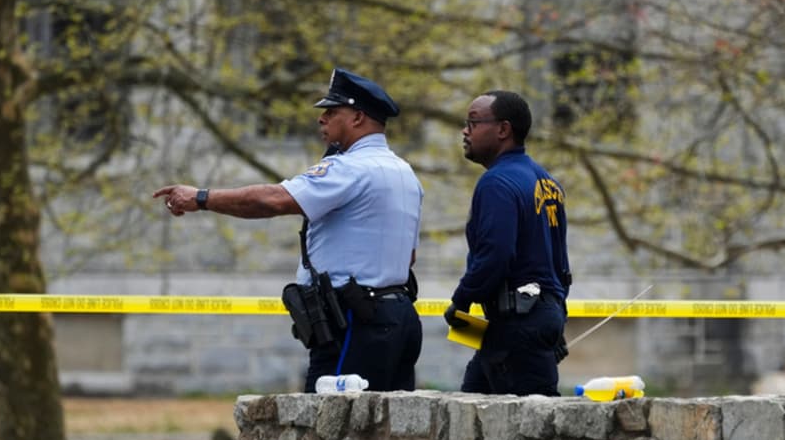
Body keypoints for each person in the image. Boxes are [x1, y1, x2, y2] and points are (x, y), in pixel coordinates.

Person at [154, 68, 424, 392]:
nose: (322, 120)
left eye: (332, 111)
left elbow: (272, 201)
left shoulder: (349, 168)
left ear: (358, 118)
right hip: (399, 316)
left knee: (332, 431)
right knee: (389, 431)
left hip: (357, 322)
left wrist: (201, 198)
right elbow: (408, 256)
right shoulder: (404, 173)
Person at [444, 90, 571, 396]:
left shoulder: (497, 183)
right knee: (469, 412)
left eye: (473, 122)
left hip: (518, 325)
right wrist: (551, 313)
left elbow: (495, 255)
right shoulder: (547, 182)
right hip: (534, 317)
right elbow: (561, 267)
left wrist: (461, 300)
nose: (465, 130)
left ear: (503, 129)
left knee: (530, 431)